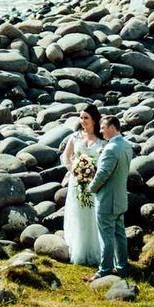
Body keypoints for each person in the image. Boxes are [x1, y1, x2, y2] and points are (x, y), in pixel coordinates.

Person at [59, 104, 104, 266]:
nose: (83, 121)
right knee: (77, 213)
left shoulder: (102, 140)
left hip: (94, 183)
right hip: (76, 182)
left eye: (86, 118)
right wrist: (75, 171)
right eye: (81, 117)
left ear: (94, 120)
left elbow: (105, 162)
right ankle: (78, 250)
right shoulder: (75, 137)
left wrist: (94, 174)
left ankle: (94, 251)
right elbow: (66, 157)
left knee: (92, 214)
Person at [90, 113, 133, 279]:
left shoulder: (111, 148)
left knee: (106, 236)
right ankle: (122, 266)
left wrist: (91, 188)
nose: (101, 131)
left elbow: (103, 173)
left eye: (103, 128)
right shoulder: (126, 145)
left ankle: (104, 270)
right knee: (120, 235)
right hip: (121, 198)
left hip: (107, 199)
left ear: (113, 128)